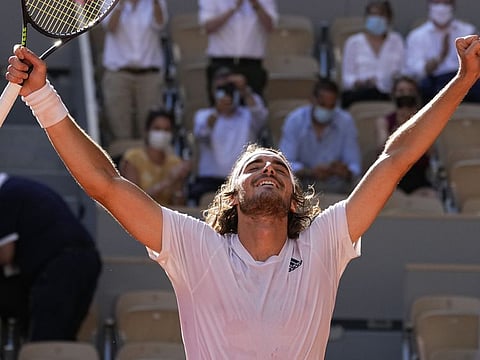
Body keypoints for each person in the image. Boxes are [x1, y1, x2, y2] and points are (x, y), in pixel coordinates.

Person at [6, 33, 480, 358]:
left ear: (296, 199)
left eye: (280, 167)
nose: (269, 169)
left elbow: (394, 160)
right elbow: (106, 185)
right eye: (255, 166)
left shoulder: (324, 242)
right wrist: (44, 97)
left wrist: (462, 80)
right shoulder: (196, 247)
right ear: (232, 195)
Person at [0, 173, 102, 341]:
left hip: (61, 266)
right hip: (85, 260)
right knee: (61, 343)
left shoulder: (6, 195)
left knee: (45, 343)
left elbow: (5, 254)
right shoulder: (23, 188)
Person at [188, 67, 268, 205]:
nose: (225, 93)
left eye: (229, 88)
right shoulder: (204, 116)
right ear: (213, 91)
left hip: (242, 180)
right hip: (209, 181)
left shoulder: (248, 116)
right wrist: (218, 112)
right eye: (220, 88)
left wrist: (245, 90)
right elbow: (201, 134)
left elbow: (261, 115)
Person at [101, 0, 168, 146]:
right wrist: (119, 4)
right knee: (120, 132)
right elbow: (110, 27)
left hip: (149, 76)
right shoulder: (109, 1)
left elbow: (160, 24)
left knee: (150, 131)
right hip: (119, 75)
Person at [279, 77, 361, 195]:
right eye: (322, 104)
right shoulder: (295, 120)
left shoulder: (346, 121)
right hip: (302, 182)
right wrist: (310, 172)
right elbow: (285, 162)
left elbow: (354, 165)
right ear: (312, 100)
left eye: (331, 106)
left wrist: (344, 171)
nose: (326, 110)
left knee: (360, 184)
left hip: (337, 183)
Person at [199, 0, 278, 104]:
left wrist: (256, 5)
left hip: (252, 64)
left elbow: (270, 27)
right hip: (222, 62)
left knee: (254, 109)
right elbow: (208, 27)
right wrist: (233, 8)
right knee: (222, 106)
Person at [405, 0, 480, 103]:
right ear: (429, 4)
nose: (441, 7)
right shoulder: (417, 36)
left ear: (453, 5)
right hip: (434, 83)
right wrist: (440, 57)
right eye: (437, 2)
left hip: (464, 80)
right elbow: (415, 71)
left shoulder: (468, 31)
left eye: (446, 3)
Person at [376, 76, 437, 197]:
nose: (406, 95)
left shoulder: (426, 122)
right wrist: (399, 126)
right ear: (394, 95)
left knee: (431, 198)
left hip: (418, 177)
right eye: (401, 91)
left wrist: (415, 125)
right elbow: (381, 149)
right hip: (391, 177)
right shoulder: (384, 121)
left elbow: (430, 152)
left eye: (410, 91)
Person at [119, 108, 192, 206]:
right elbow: (133, 200)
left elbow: (179, 207)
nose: (162, 134)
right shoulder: (133, 158)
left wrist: (178, 184)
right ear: (147, 131)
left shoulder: (175, 162)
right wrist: (167, 182)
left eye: (166, 129)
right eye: (157, 129)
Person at [341, 1, 405, 108]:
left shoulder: (396, 40)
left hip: (388, 92)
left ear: (388, 18)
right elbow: (346, 78)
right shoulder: (353, 42)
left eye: (381, 15)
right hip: (361, 92)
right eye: (373, 14)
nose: (376, 18)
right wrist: (359, 82)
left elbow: (403, 70)